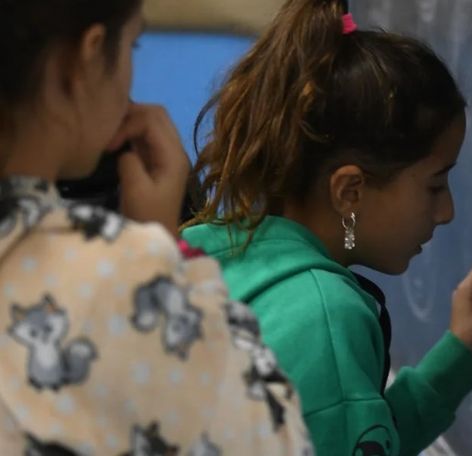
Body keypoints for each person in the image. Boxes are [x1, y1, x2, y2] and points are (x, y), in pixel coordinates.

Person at [181, 0, 472, 454]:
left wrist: (456, 356)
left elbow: (347, 425)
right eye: (435, 186)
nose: (447, 212)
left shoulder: (208, 248)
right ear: (350, 192)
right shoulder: (328, 319)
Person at [0, 1, 312, 454]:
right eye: (133, 44)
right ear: (86, 58)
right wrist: (166, 257)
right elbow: (278, 441)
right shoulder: (124, 277)